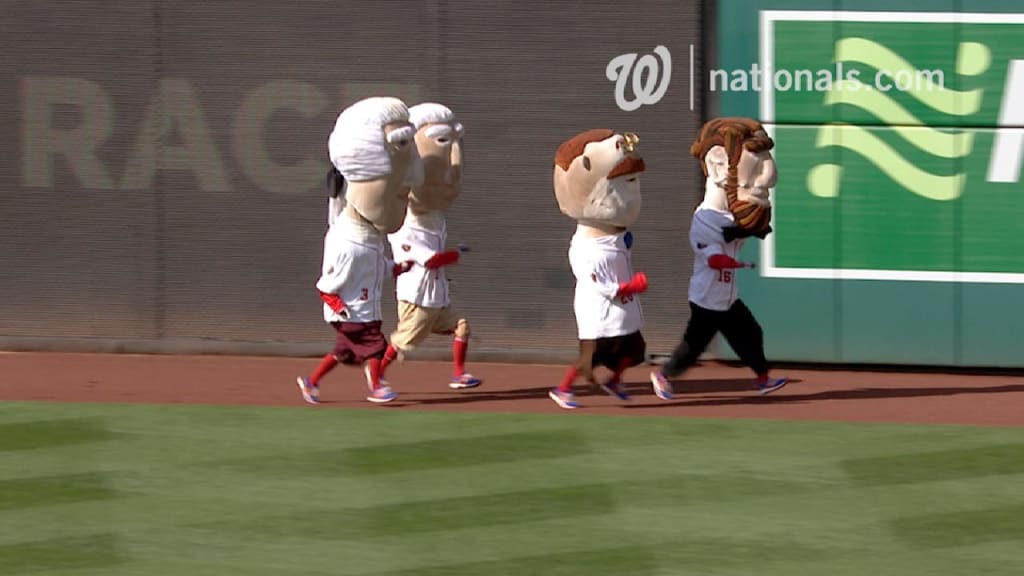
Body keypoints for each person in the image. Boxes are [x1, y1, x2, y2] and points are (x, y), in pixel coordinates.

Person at [295, 96, 423, 405]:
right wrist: (339, 308)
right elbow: (326, 286)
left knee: (342, 353)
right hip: (354, 314)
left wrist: (397, 268)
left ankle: (311, 382)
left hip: (366, 311)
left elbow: (374, 266)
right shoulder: (346, 243)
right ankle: (377, 386)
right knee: (376, 348)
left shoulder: (370, 239)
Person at [650, 117, 788, 396]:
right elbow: (715, 259)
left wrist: (753, 229)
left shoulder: (729, 213)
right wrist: (742, 262)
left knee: (751, 334)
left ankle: (763, 379)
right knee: (693, 346)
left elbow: (739, 229)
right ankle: (663, 376)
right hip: (706, 299)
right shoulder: (703, 219)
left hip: (726, 295)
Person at [547, 129, 657, 409]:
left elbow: (622, 245)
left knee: (635, 351)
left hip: (624, 309)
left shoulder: (616, 238)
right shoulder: (584, 248)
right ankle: (562, 389)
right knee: (591, 358)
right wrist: (631, 287)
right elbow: (599, 285)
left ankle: (614, 381)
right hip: (599, 313)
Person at [378, 103, 482, 389]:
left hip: (437, 296)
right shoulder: (403, 220)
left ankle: (458, 375)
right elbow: (431, 260)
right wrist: (456, 254)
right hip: (417, 298)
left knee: (462, 325)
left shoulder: (435, 217)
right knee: (402, 344)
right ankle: (376, 376)